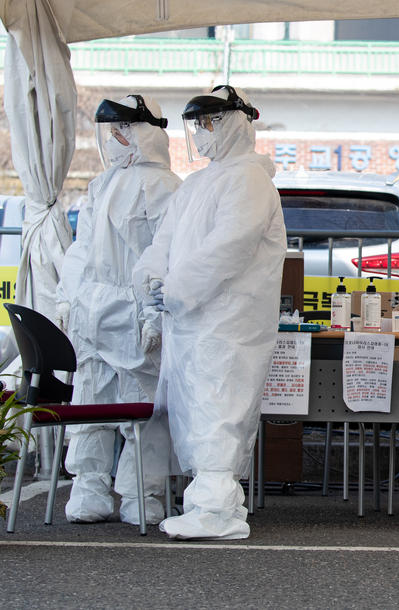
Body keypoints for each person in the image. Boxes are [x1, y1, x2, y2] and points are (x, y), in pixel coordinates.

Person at [133, 85, 286, 540]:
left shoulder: (250, 180)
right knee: (196, 409)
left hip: (228, 322)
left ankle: (216, 509)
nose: (202, 132)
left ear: (239, 123)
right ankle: (211, 503)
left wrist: (177, 289)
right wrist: (152, 280)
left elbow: (230, 246)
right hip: (191, 320)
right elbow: (163, 243)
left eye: (211, 122)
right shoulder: (197, 184)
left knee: (220, 406)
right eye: (198, 123)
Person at [56, 94, 181, 524]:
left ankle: (139, 492)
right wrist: (65, 297)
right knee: (91, 397)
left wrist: (153, 314)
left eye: (119, 131)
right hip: (92, 314)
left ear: (140, 133)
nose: (113, 140)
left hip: (133, 316)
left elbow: (166, 256)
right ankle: (88, 487)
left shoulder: (165, 188)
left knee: (142, 409)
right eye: (109, 133)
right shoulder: (101, 184)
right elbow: (82, 250)